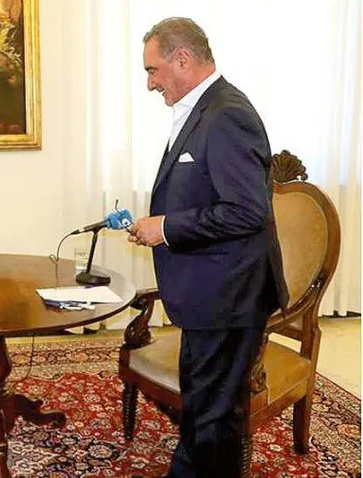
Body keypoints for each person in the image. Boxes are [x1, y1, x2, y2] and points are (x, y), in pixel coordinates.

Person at [127, 18, 288, 478]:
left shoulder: (226, 114)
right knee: (203, 411)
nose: (150, 83)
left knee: (214, 420)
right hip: (210, 293)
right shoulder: (204, 108)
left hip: (230, 295)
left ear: (182, 59)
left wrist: (166, 228)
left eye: (153, 70)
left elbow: (246, 211)